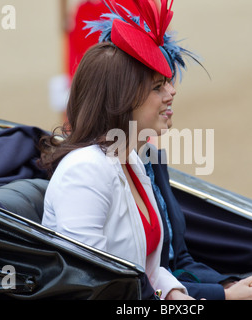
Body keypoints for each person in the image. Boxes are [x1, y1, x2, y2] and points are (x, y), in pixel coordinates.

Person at [39, 0, 197, 300]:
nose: (172, 92)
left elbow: (147, 270)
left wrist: (179, 298)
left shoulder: (132, 160)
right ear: (123, 99)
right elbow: (91, 286)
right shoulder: (84, 171)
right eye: (157, 86)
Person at [143, 84, 252, 300]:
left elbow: (178, 260)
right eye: (156, 86)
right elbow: (140, 288)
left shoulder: (148, 158)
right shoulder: (101, 170)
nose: (171, 91)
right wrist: (223, 295)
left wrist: (228, 284)